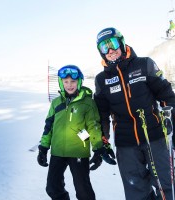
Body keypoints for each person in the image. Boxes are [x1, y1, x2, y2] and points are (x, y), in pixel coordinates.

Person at [94, 27, 175, 200]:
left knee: (166, 187)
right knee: (136, 191)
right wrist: (103, 141)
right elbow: (101, 115)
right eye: (104, 47)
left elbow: (166, 94)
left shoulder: (144, 65)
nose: (110, 51)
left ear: (121, 42)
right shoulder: (101, 80)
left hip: (155, 135)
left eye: (112, 44)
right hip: (125, 143)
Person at [37, 65, 116, 200]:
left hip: (78, 152)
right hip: (57, 152)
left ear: (79, 81)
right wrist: (43, 148)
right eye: (66, 82)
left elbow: (94, 127)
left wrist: (98, 149)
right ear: (61, 83)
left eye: (73, 81)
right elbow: (48, 126)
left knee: (83, 191)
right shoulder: (56, 103)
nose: (69, 85)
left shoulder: (88, 103)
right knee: (52, 187)